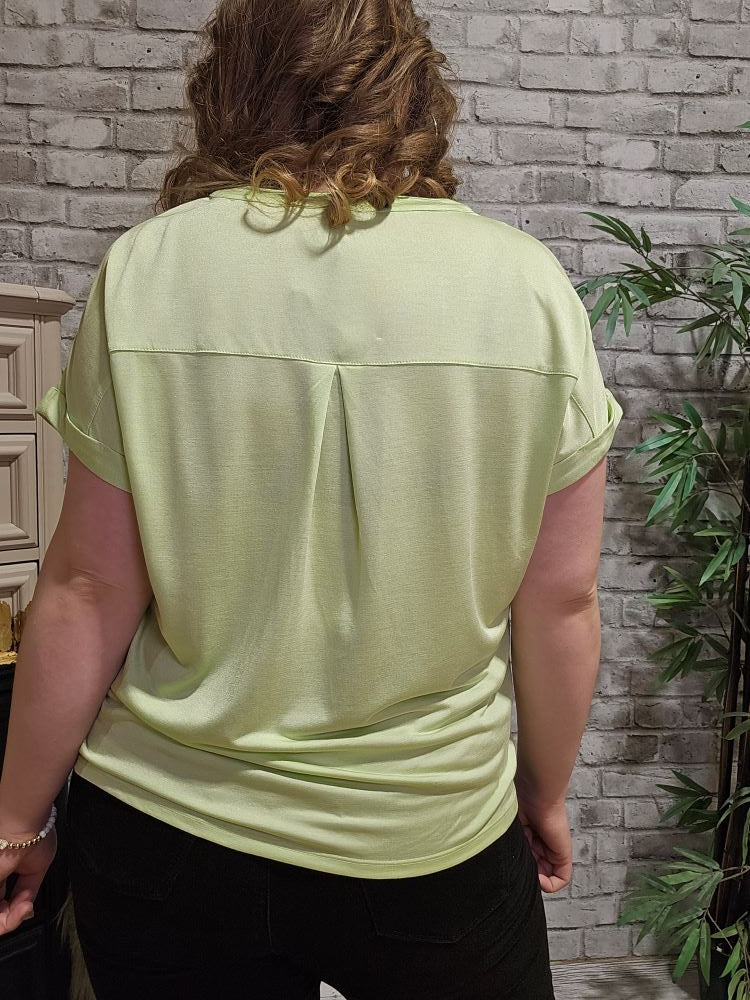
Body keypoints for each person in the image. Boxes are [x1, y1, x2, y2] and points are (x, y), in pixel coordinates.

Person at [0, 1, 623, 997]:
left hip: (168, 833)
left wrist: (17, 820)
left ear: (233, 81)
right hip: (426, 832)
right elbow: (560, 601)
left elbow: (86, 586)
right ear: (413, 85)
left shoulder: (152, 267)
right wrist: (544, 793)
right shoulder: (530, 289)